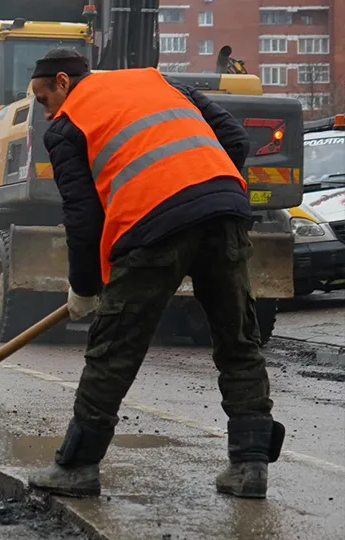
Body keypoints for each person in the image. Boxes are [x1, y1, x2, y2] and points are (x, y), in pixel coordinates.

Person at [25, 48, 284, 499]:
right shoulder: (160, 82)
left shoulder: (68, 125)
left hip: (152, 225)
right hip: (224, 209)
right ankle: (249, 468)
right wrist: (206, 192)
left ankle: (78, 467)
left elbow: (83, 218)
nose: (46, 111)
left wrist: (84, 288)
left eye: (44, 98)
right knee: (238, 339)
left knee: (115, 346)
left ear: (63, 82)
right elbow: (237, 140)